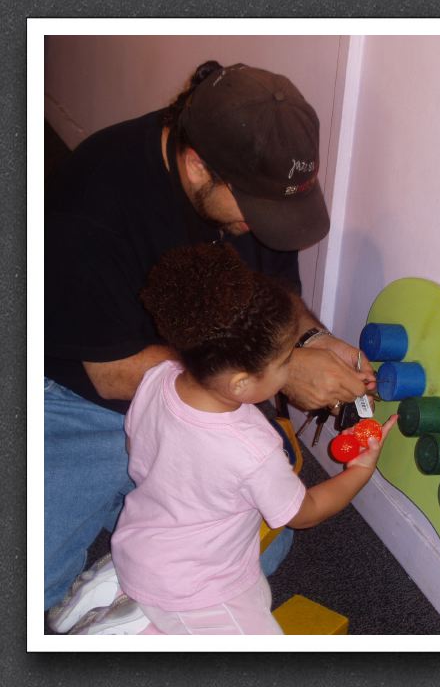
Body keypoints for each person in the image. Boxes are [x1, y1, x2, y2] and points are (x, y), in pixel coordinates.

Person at [44, 59, 376, 613]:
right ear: (197, 167)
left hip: (211, 389)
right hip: (86, 402)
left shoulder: (261, 189)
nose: (267, 226)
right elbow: (112, 371)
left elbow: (276, 294)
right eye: (257, 213)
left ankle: (140, 554)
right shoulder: (91, 202)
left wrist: (309, 339)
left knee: (262, 551)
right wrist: (280, 368)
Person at [55, 242, 397, 635]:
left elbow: (138, 448)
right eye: (285, 361)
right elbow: (305, 512)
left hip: (141, 543)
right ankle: (133, 628)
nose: (292, 368)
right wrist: (360, 471)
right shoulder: (253, 446)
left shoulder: (158, 378)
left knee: (241, 574)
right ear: (241, 383)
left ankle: (124, 588)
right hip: (198, 588)